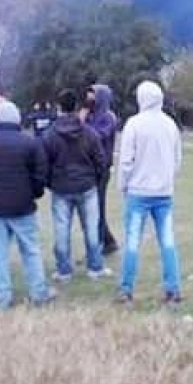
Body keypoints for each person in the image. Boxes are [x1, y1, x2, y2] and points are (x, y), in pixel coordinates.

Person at [0, 101, 53, 309]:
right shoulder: (31, 144)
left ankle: (3, 298)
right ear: (17, 119)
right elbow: (41, 174)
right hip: (23, 206)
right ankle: (39, 293)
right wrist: (34, 193)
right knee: (31, 250)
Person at [116, 80, 183, 308]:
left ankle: (126, 290)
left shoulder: (134, 125)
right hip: (164, 192)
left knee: (133, 241)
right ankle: (172, 288)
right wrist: (168, 179)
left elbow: (126, 161)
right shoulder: (170, 125)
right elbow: (177, 159)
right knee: (167, 241)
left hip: (138, 191)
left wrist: (122, 185)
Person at [42, 89, 112, 282]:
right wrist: (95, 180)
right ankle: (95, 268)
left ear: (59, 108)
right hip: (87, 186)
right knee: (91, 229)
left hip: (61, 188)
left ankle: (64, 271)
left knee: (61, 231)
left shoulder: (49, 135)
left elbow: (43, 164)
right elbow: (101, 160)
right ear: (76, 108)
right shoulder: (89, 133)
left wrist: (51, 182)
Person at [83, 84, 120, 255]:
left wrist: (81, 125)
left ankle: (102, 244)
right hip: (89, 167)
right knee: (93, 207)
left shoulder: (108, 117)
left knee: (97, 206)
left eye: (92, 95)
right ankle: (106, 241)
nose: (89, 99)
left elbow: (96, 136)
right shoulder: (90, 116)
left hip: (102, 168)